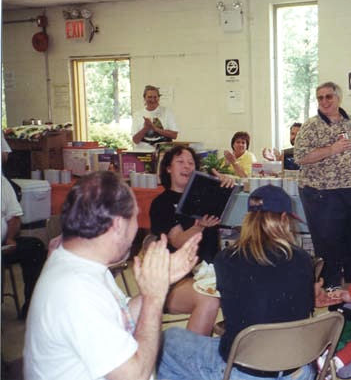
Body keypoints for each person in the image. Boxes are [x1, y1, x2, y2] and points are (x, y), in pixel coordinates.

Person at [23, 171, 201, 379]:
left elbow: (123, 316)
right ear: (118, 224)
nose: (136, 228)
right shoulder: (76, 290)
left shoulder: (81, 263)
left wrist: (162, 281)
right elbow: (136, 376)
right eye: (135, 217)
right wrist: (153, 299)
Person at [157, 185, 315, 380]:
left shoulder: (225, 259)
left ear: (247, 219)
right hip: (297, 370)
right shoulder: (304, 260)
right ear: (284, 219)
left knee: (168, 340)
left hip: (243, 369)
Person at [294, 81, 351, 289]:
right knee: (329, 243)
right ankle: (330, 288)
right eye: (320, 97)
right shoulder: (311, 126)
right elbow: (300, 157)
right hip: (324, 194)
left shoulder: (350, 121)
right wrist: (331, 149)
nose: (324, 101)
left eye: (328, 96)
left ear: (338, 98)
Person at [150, 145, 231, 335]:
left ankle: (234, 351)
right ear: (168, 168)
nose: (186, 167)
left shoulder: (207, 198)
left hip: (209, 273)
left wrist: (226, 187)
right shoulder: (162, 203)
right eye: (180, 162)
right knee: (209, 298)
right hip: (174, 279)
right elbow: (177, 241)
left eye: (191, 163)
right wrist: (199, 226)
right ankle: (194, 359)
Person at [1, 174, 46, 319]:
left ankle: (30, 308)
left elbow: (14, 215)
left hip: (3, 244)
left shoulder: (2, 182)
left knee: (35, 247)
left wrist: (9, 238)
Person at [132, 85, 178, 152]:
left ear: (159, 98)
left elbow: (174, 135)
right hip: (143, 153)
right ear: (144, 98)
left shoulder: (167, 112)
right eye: (149, 97)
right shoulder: (137, 114)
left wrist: (155, 129)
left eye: (155, 97)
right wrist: (145, 128)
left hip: (164, 153)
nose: (153, 100)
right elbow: (135, 140)